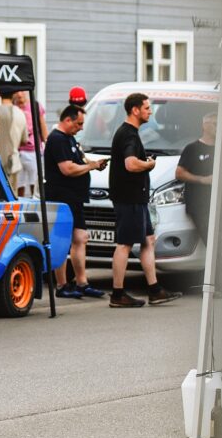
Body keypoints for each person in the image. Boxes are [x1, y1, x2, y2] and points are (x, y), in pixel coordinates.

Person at [108, 92, 182, 307]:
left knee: (148, 240)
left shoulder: (129, 133)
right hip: (129, 198)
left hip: (136, 198)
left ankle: (155, 290)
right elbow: (130, 164)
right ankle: (117, 294)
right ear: (135, 110)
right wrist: (149, 164)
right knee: (124, 244)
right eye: (147, 108)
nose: (150, 112)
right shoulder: (128, 135)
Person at [43, 105, 108, 298]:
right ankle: (61, 285)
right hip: (61, 197)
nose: (81, 127)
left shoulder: (70, 139)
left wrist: (94, 164)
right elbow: (67, 169)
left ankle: (82, 283)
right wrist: (91, 166)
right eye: (78, 123)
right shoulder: (57, 139)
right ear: (67, 120)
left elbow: (79, 161)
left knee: (81, 238)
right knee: (62, 241)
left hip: (75, 197)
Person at [176, 112, 217, 244]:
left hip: (219, 203)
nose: (218, 127)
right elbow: (179, 173)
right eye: (215, 124)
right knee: (211, 239)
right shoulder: (193, 148)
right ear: (204, 126)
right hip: (199, 204)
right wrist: (202, 180)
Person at [14, 90, 47, 197]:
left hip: (33, 150)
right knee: (18, 184)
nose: (19, 94)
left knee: (34, 182)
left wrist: (46, 143)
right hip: (17, 151)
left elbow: (42, 126)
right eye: (17, 92)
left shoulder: (35, 106)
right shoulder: (12, 106)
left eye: (21, 91)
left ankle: (35, 202)